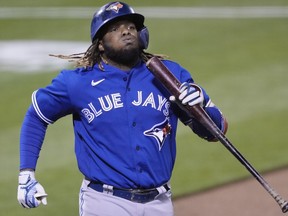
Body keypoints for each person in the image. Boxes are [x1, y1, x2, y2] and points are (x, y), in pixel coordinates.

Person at [17, 1, 228, 216]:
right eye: (115, 28)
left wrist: (200, 106)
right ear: (100, 44)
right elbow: (36, 115)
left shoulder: (169, 76)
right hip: (105, 202)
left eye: (131, 27)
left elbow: (215, 132)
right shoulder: (77, 83)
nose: (126, 31)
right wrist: (26, 173)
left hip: (159, 203)